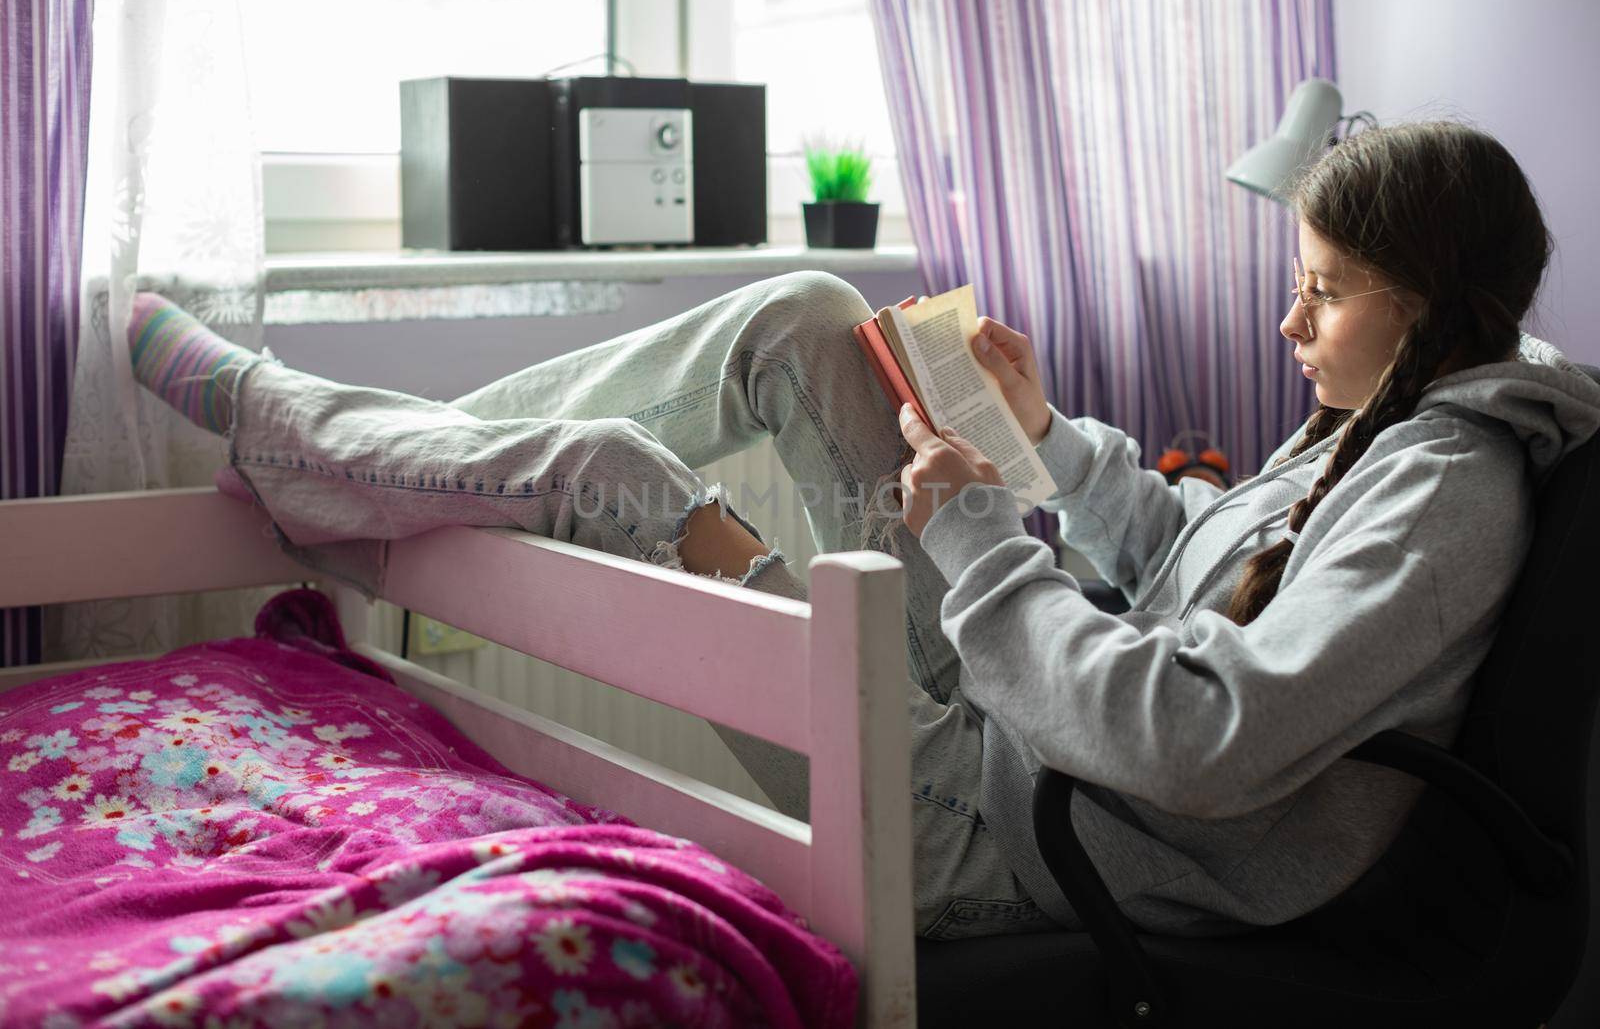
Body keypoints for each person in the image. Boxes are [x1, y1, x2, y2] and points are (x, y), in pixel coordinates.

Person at [126, 120, 1600, 943]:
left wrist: (977, 535)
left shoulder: (1442, 493)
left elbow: (1198, 746)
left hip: (1003, 826)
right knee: (807, 318)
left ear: (1428, 301)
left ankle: (314, 441)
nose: (1288, 321)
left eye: (1326, 291)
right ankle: (352, 449)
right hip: (1010, 730)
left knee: (620, 475)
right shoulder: (1382, 427)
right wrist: (1042, 440)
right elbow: (1194, 555)